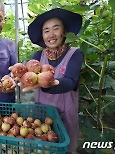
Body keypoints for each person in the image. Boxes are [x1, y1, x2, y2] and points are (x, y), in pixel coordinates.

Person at [20, 8, 83, 153]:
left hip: (66, 116)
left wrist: (49, 83)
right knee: (44, 147)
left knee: (64, 147)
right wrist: (15, 77)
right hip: (42, 114)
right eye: (46, 30)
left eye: (56, 28)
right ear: (42, 36)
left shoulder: (75, 54)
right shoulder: (38, 56)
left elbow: (70, 82)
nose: (51, 34)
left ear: (64, 32)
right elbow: (27, 73)